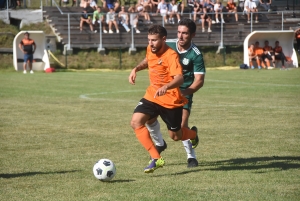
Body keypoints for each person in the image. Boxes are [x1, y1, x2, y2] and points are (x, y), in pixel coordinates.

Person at [133, 19, 205, 168]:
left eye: (184, 33)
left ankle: (191, 154)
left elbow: (199, 80)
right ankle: (158, 150)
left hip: (181, 94)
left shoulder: (195, 54)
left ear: (193, 35)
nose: (180, 36)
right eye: (179, 32)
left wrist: (183, 92)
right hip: (156, 93)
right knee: (141, 120)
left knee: (178, 132)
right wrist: (136, 69)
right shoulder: (165, 44)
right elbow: (149, 59)